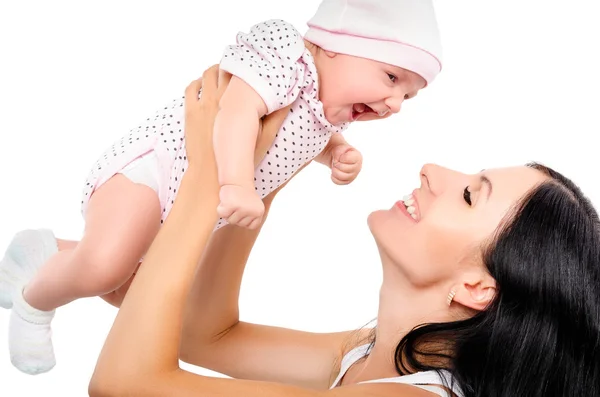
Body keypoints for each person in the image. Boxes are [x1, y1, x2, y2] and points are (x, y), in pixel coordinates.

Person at [88, 66, 600, 397]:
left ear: (476, 287)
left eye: (470, 195)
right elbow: (205, 335)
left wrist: (208, 177)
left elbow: (123, 384)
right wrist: (263, 171)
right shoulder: (373, 354)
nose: (432, 170)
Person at [0, 0, 443, 375]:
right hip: (154, 171)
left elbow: (307, 134)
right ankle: (33, 300)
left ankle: (47, 250)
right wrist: (235, 182)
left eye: (409, 96)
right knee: (105, 267)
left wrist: (336, 153)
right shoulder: (285, 55)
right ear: (334, 47)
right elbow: (235, 111)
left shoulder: (328, 108)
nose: (395, 104)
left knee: (133, 292)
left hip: (190, 203)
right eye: (391, 78)